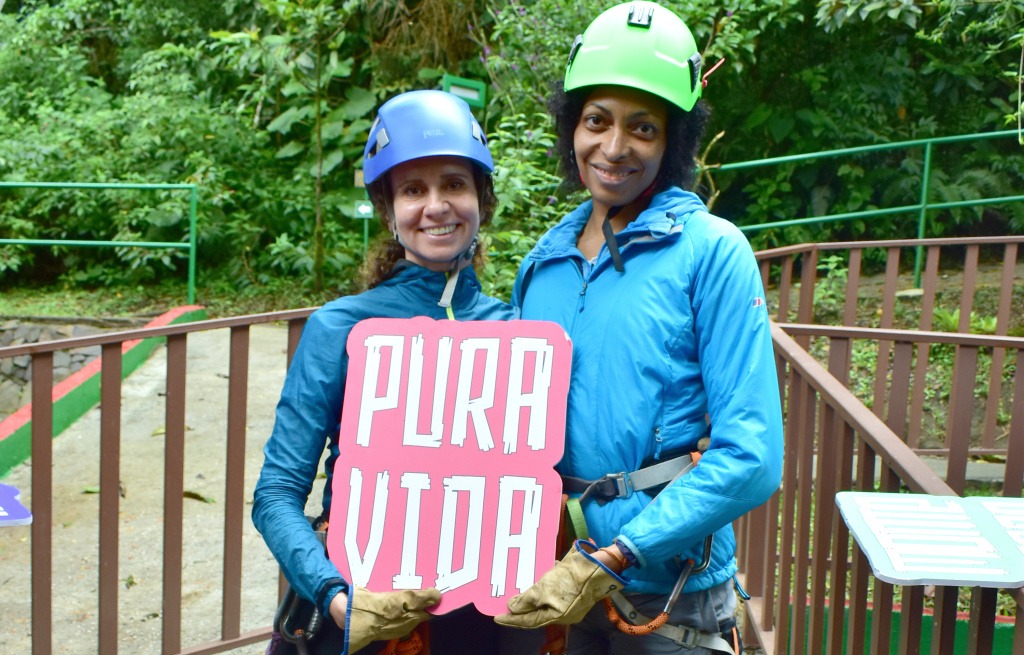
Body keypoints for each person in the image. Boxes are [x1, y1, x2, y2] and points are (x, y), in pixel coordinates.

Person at [494, 3, 784, 654]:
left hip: (666, 589)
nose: (614, 147)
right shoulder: (545, 262)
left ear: (673, 141)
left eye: (642, 127)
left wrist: (622, 552)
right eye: (596, 120)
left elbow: (752, 456)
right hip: (554, 574)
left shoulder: (711, 252)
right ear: (572, 125)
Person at [253, 89, 521, 654]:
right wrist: (333, 593)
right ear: (388, 209)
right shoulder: (339, 327)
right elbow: (276, 494)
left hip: (474, 624)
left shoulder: (515, 330)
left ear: (481, 198)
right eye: (413, 190)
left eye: (454, 183)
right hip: (356, 613)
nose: (436, 206)